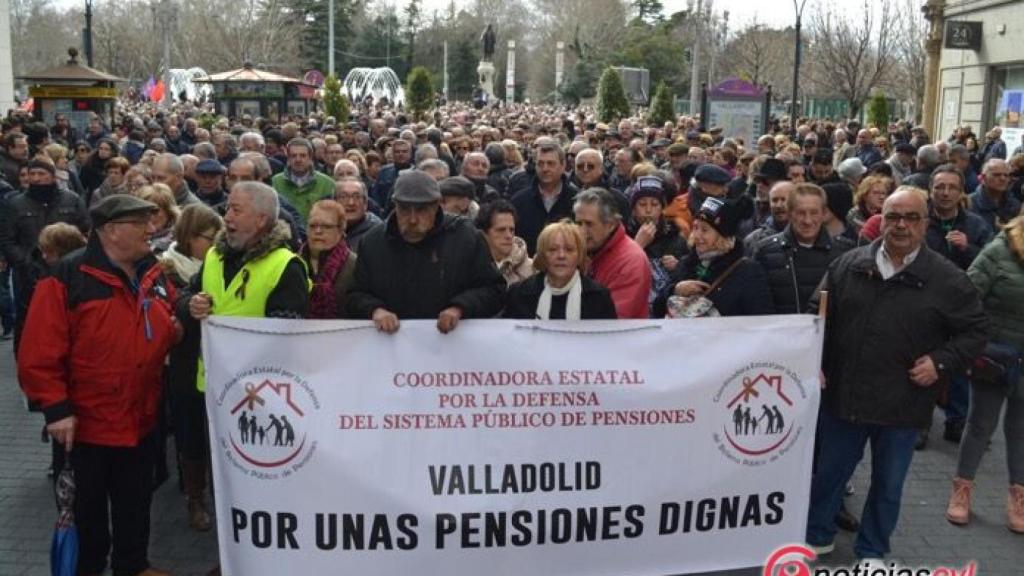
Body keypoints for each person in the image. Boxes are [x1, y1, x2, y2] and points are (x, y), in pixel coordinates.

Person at [806, 187, 988, 562]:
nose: (900, 225)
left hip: (903, 402)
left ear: (925, 223)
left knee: (888, 484)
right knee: (829, 476)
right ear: (880, 220)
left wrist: (940, 361)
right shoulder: (849, 265)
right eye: (893, 217)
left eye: (911, 217)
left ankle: (872, 548)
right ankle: (817, 534)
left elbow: (975, 331)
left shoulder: (948, 279)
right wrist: (815, 362)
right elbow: (817, 315)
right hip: (846, 395)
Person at [19, 195, 182, 576]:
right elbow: (38, 351)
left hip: (140, 419)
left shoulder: (151, 270)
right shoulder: (68, 277)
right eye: (141, 223)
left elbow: (162, 319)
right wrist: (56, 410)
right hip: (86, 427)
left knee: (136, 506)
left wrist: (173, 330)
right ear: (111, 230)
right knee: (87, 516)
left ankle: (133, 566)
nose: (152, 230)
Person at [345, 170, 505, 333]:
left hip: (451, 345)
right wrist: (375, 310)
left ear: (436, 206)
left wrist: (460, 307)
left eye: (421, 209)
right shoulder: (373, 242)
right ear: (395, 205)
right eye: (405, 209)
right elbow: (355, 295)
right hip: (391, 347)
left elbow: (494, 290)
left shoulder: (465, 237)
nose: (413, 219)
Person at [946, 212, 1024, 533]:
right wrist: (979, 341)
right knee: (980, 425)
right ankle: (961, 492)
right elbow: (966, 296)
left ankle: (1018, 496)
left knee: (1021, 431)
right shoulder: (1000, 248)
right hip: (997, 357)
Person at [159, 203, 222, 533]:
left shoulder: (220, 262)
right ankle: (194, 499)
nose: (214, 244)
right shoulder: (167, 267)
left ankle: (219, 496)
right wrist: (189, 305)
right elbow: (174, 304)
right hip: (185, 364)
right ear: (189, 236)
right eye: (208, 237)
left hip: (219, 366)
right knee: (191, 435)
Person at [0, 158, 90, 350]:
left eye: (41, 174)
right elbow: (7, 239)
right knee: (28, 318)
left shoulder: (72, 200)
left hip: (68, 271)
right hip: (28, 272)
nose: (36, 178)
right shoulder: (16, 204)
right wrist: (24, 262)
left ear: (52, 176)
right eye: (32, 174)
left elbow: (85, 232)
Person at [661, 196, 773, 317]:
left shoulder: (748, 271)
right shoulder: (686, 263)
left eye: (704, 230)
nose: (697, 235)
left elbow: (762, 319)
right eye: (695, 227)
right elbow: (657, 310)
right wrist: (674, 290)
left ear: (722, 235)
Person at [752, 183, 854, 314]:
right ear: (789, 213)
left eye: (814, 213)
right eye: (801, 213)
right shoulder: (765, 251)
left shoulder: (845, 251)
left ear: (823, 214)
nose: (807, 220)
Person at [504, 221, 617, 320]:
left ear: (579, 256)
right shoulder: (519, 294)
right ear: (542, 255)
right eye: (552, 250)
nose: (561, 256)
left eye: (569, 250)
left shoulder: (599, 297)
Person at [574, 188, 651, 319]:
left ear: (610, 225)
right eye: (578, 223)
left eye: (588, 224)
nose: (581, 231)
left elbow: (614, 318)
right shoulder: (586, 250)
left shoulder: (631, 261)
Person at [510, 141, 580, 255]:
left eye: (551, 163)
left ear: (563, 166)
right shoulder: (519, 201)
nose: (545, 168)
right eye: (540, 164)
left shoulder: (577, 200)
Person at [301, 199, 357, 319]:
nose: (318, 231)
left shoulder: (355, 266)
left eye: (326, 226)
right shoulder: (294, 263)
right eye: (312, 225)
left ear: (341, 230)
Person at [271, 138, 335, 221]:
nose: (298, 160)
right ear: (288, 158)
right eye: (293, 156)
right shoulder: (276, 182)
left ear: (310, 158)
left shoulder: (327, 183)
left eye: (303, 155)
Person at [475, 199, 533, 285]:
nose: (509, 235)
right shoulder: (470, 266)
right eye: (501, 230)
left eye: (512, 230)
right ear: (484, 234)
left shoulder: (532, 270)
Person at [969, 159, 1021, 230]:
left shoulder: (1015, 205)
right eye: (996, 175)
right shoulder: (969, 204)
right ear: (984, 178)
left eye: (1006, 175)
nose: (1003, 178)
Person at [335, 177, 382, 254]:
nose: (351, 203)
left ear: (365, 204)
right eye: (344, 197)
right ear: (335, 202)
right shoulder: (326, 227)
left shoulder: (377, 233)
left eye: (356, 197)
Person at [137, 184, 180, 255]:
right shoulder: (133, 237)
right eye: (144, 211)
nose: (149, 216)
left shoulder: (179, 240)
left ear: (168, 211)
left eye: (154, 211)